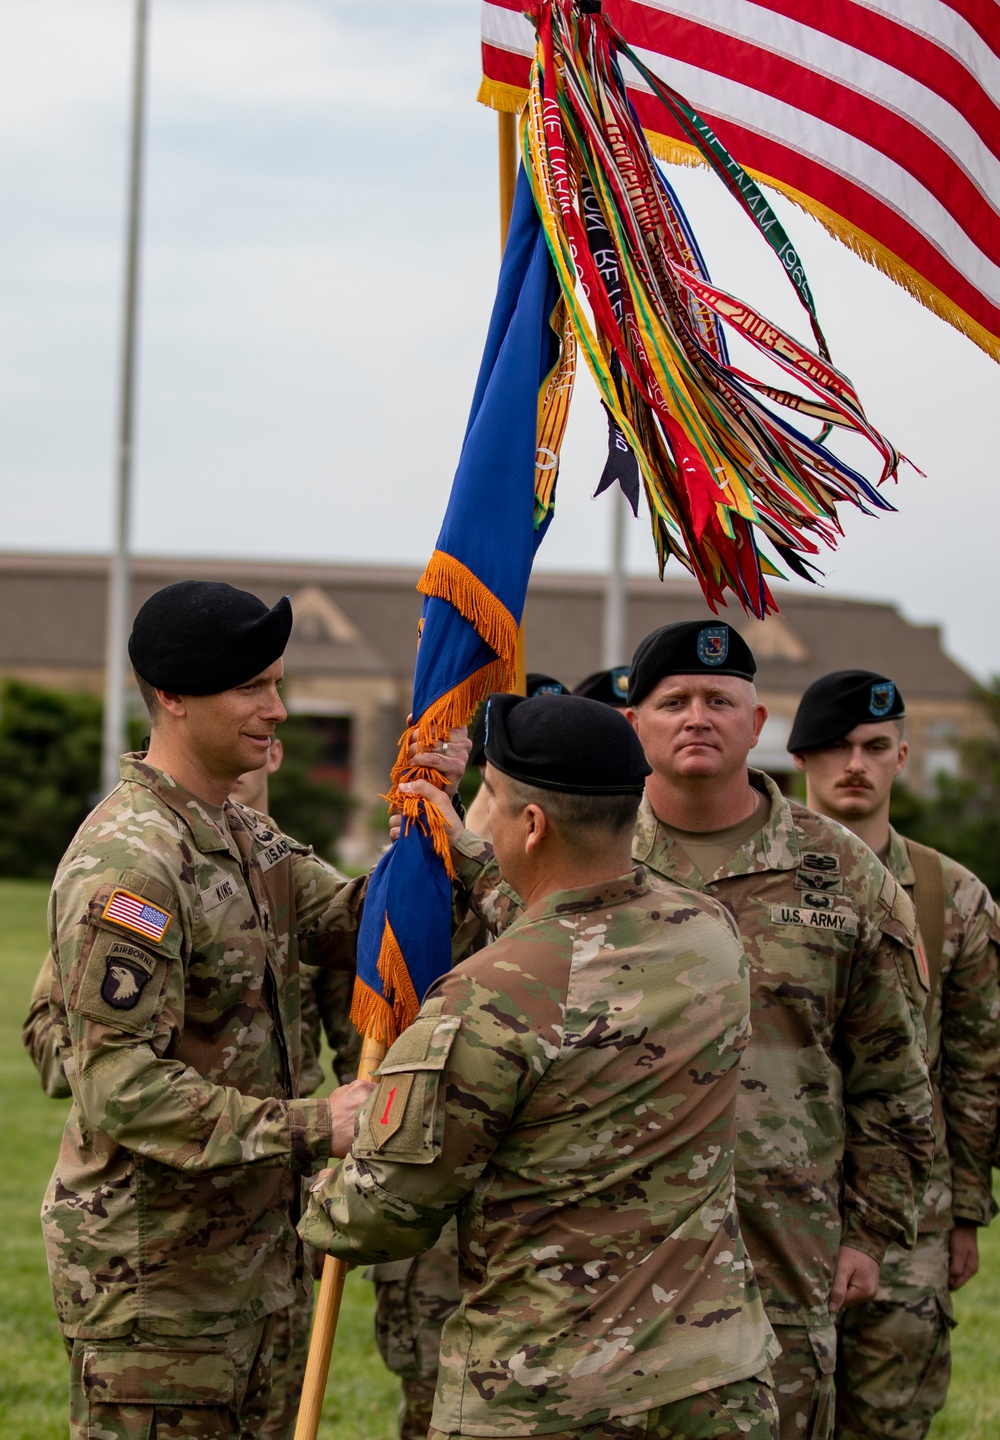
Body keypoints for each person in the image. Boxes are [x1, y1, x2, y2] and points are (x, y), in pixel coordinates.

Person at [442, 623, 934, 1440]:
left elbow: (891, 1075)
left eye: (718, 700)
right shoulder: (564, 854)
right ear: (633, 727)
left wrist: (873, 1233)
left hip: (781, 1247)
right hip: (588, 1255)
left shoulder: (843, 874)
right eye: (672, 701)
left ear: (758, 721)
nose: (696, 716)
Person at [40, 579, 468, 1440]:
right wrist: (317, 1125)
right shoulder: (133, 861)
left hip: (253, 1269)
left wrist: (432, 830)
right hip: (158, 1289)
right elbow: (118, 1088)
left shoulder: (240, 834)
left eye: (278, 683)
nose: (277, 709)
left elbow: (354, 926)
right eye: (253, 688)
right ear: (172, 696)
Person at [301, 692, 780, 1440]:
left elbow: (382, 1217)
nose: (481, 814)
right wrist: (466, 854)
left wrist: (309, 1164)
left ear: (531, 825)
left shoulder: (486, 998)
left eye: (489, 798)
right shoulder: (708, 933)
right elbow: (573, 929)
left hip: (549, 1394)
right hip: (713, 1378)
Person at [788, 669, 1000, 1440]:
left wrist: (967, 1213)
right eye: (836, 747)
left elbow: (977, 1067)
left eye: (875, 746)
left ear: (903, 756)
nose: (856, 764)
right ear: (800, 758)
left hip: (913, 1216)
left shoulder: (954, 899)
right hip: (780, 1204)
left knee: (889, 1418)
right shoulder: (753, 886)